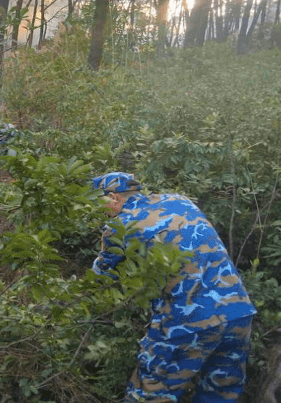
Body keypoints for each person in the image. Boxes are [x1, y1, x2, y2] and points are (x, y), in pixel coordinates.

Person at [90, 172, 256, 403]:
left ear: (113, 197)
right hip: (237, 312)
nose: (98, 211)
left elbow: (101, 275)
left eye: (98, 202)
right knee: (220, 395)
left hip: (186, 321)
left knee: (149, 395)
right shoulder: (179, 200)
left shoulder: (119, 225)